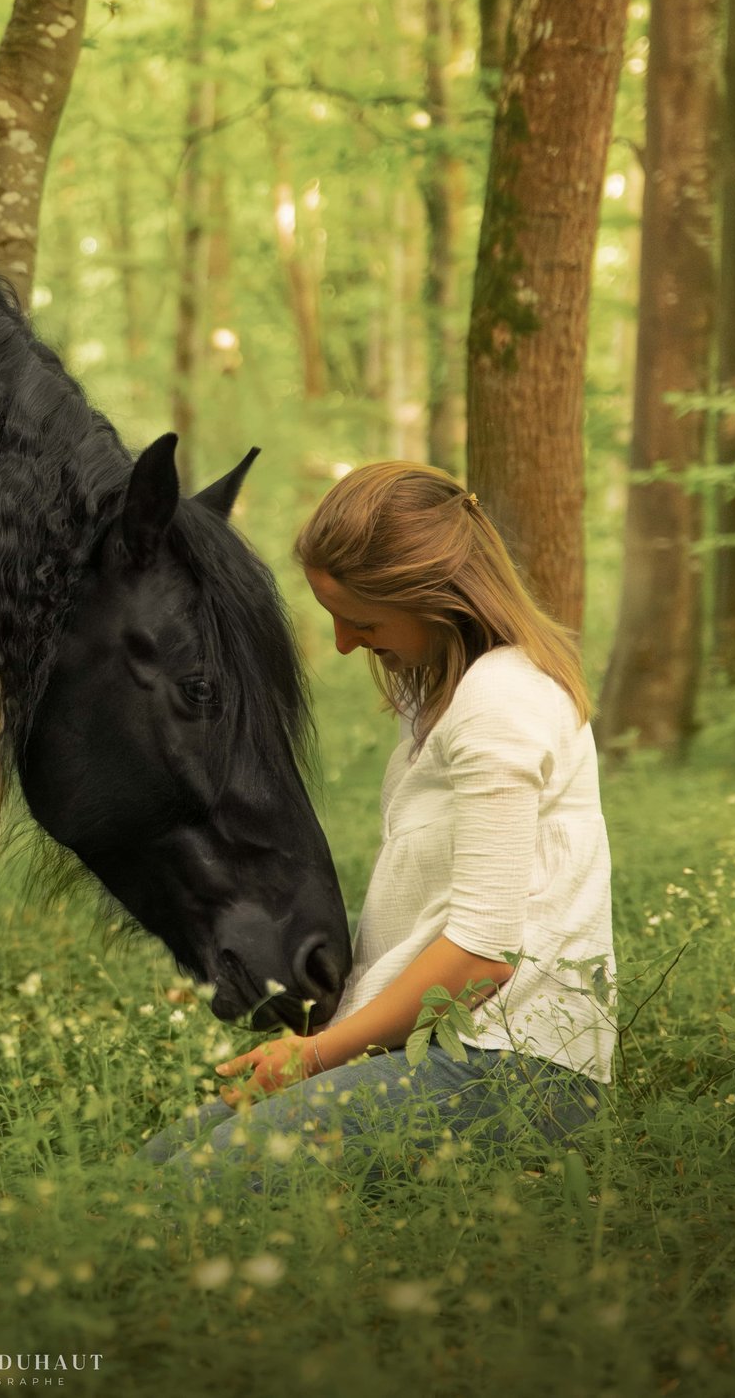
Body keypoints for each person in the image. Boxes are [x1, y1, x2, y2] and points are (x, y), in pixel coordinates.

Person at [139, 462, 617, 1192]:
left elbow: (483, 955)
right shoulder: (447, 705)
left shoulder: (502, 700)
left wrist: (318, 1056)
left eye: (360, 620)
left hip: (511, 1069)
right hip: (438, 1051)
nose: (341, 643)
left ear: (432, 598)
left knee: (190, 1190)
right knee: (155, 1170)